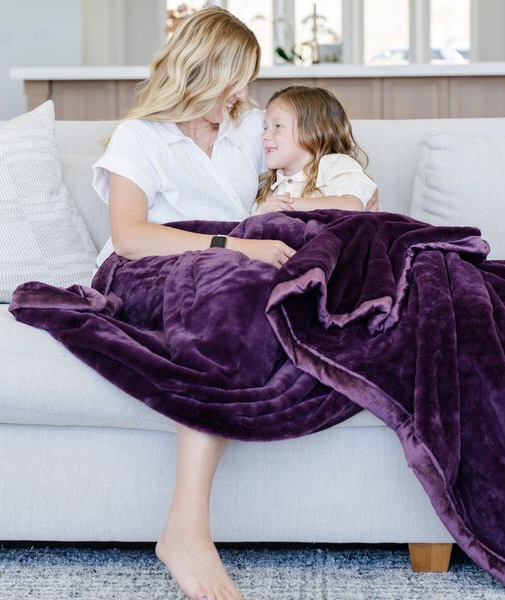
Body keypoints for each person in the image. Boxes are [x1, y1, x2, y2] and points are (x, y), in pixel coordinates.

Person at [91, 8, 295, 600]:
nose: (244, 94)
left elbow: (313, 164)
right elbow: (129, 235)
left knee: (241, 296)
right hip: (140, 272)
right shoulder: (141, 136)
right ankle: (186, 530)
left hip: (224, 274)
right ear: (204, 73)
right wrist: (233, 244)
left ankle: (185, 530)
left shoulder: (248, 126)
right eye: (237, 79)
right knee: (228, 292)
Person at [253, 85, 378, 215]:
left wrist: (287, 205)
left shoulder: (335, 164)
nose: (264, 136)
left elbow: (351, 206)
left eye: (278, 126)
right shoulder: (268, 189)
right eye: (265, 128)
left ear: (312, 132)